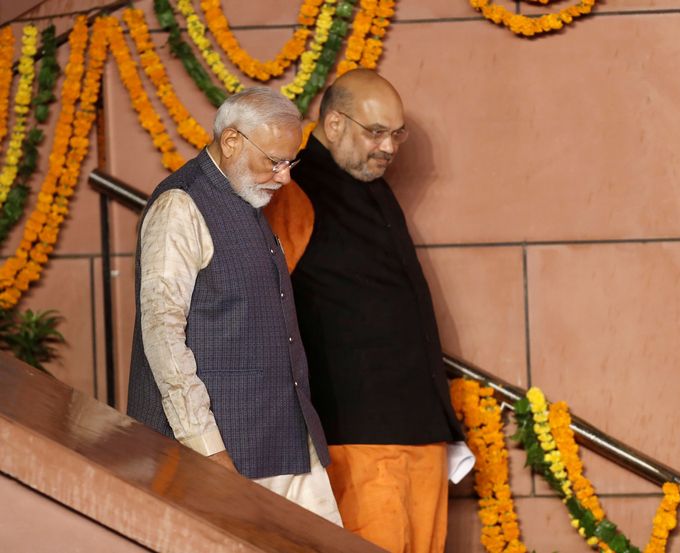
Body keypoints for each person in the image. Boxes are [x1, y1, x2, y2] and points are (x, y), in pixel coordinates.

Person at [265, 70, 473, 553]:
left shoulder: (368, 180)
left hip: (419, 431)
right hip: (353, 438)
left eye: (397, 133)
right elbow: (259, 312)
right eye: (375, 132)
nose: (389, 147)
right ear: (333, 123)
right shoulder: (293, 189)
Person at [127, 87, 342, 526]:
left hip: (282, 443)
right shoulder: (180, 205)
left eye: (290, 162)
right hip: (216, 455)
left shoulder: (246, 195)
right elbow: (163, 336)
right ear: (231, 142)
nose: (284, 177)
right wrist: (208, 449)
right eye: (275, 162)